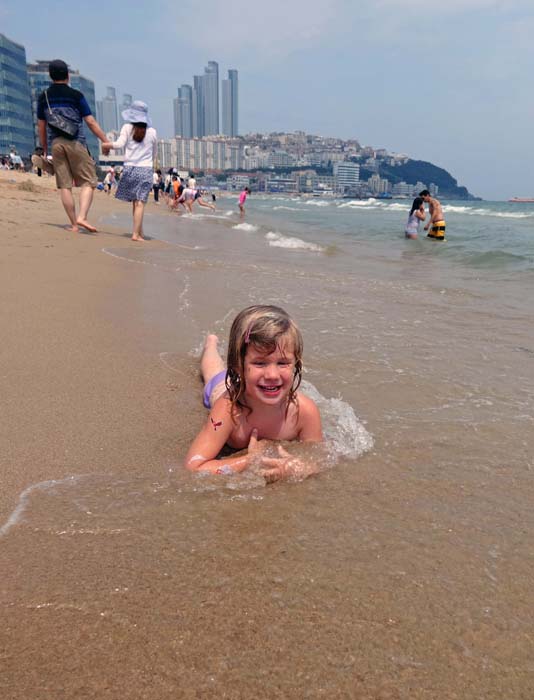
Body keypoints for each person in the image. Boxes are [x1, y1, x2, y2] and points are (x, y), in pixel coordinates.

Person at [184, 305, 323, 482]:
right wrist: (249, 461)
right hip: (224, 388)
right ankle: (211, 345)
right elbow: (194, 467)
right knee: (213, 372)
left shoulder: (304, 411)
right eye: (260, 363)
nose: (272, 375)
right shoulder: (228, 410)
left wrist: (298, 468)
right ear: (238, 366)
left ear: (296, 364)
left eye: (282, 363)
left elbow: (319, 457)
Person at [35, 59, 108, 233]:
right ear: (68, 76)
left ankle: (74, 225)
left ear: (51, 76)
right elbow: (90, 121)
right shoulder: (76, 95)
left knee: (65, 185)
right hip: (75, 142)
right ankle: (82, 216)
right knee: (89, 181)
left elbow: (41, 126)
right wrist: (104, 140)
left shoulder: (44, 97)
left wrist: (44, 148)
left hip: (56, 144)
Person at [102, 101, 157, 241]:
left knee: (135, 202)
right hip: (145, 170)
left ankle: (139, 232)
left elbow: (119, 144)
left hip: (130, 169)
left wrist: (106, 144)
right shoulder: (152, 131)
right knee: (140, 203)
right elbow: (154, 153)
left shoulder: (127, 127)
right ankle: (135, 234)